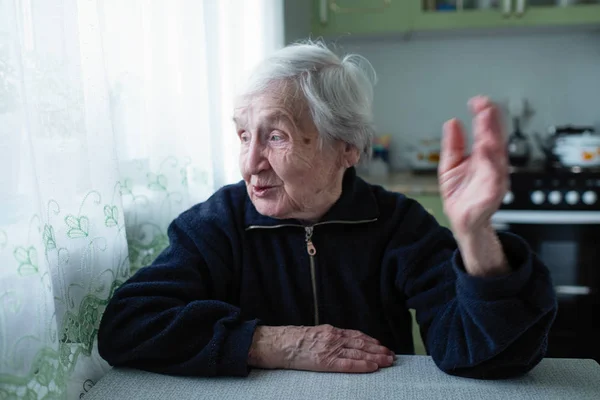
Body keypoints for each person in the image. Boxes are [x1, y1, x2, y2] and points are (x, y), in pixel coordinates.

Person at [97, 41, 557, 379]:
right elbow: (127, 326)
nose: (250, 163)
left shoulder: (399, 226)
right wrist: (270, 342)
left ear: (347, 147)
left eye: (275, 136)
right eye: (243, 135)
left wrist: (476, 235)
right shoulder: (217, 225)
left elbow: (491, 357)